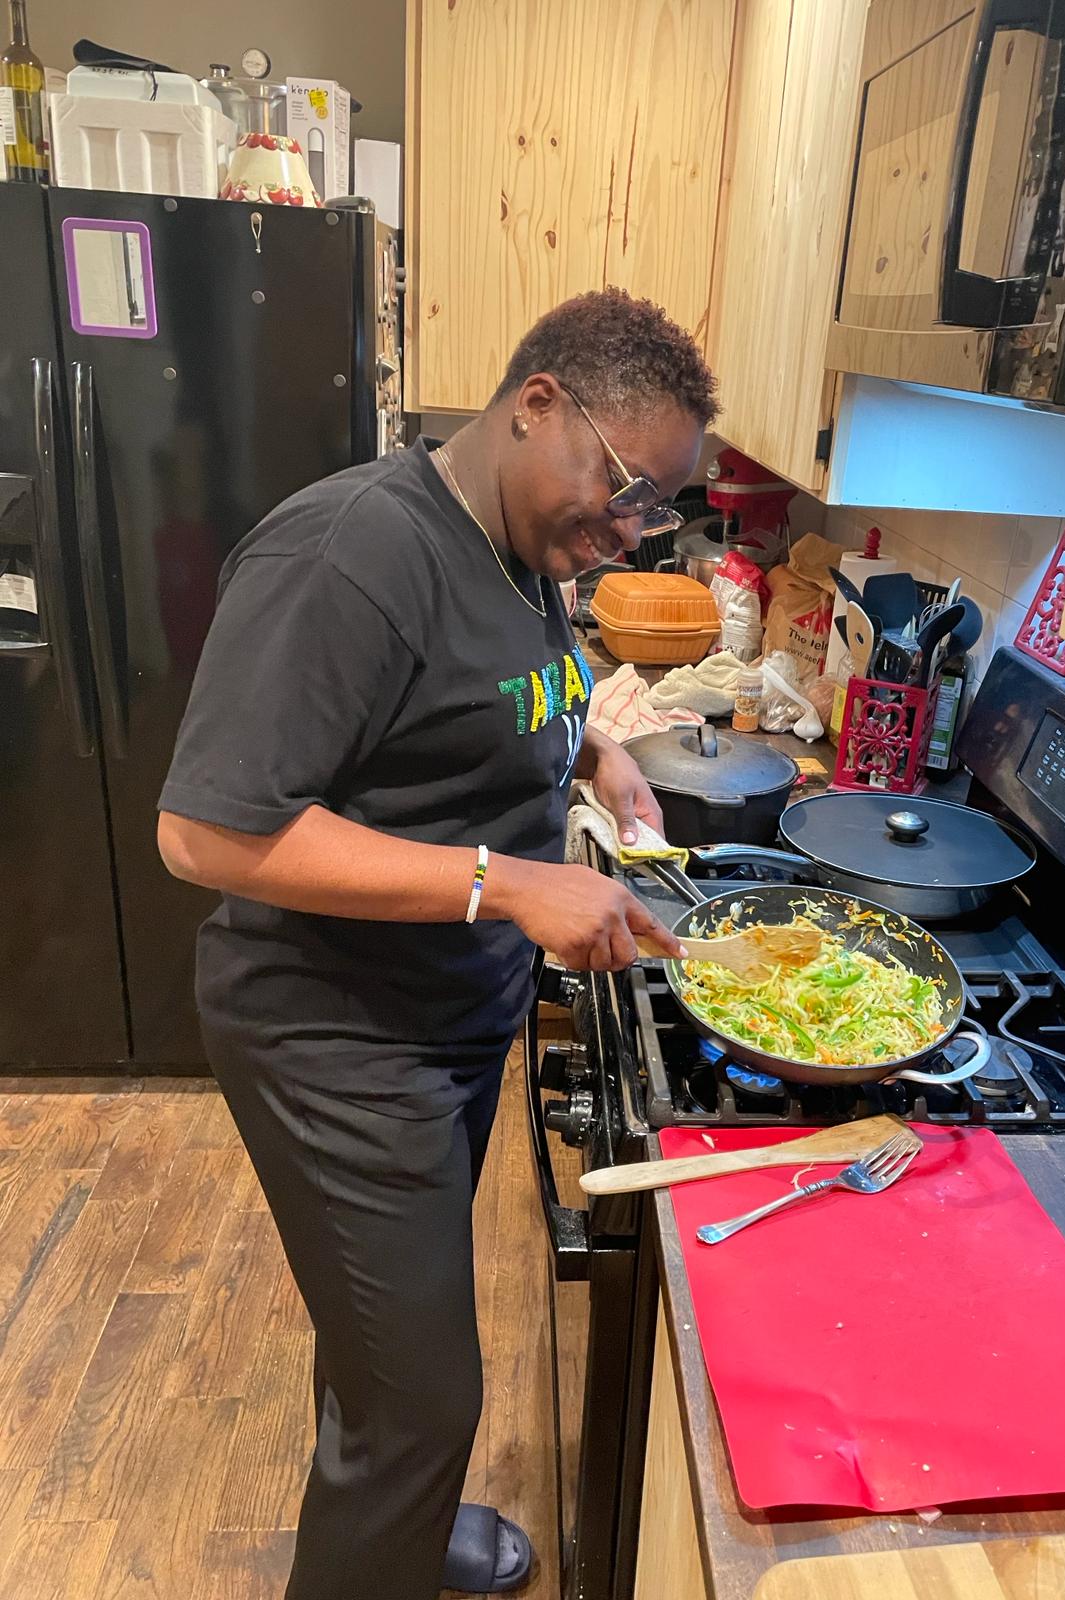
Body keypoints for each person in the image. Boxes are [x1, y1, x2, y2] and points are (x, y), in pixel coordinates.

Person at [156, 287, 720, 1600]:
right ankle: (385, 1529)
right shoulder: (352, 555)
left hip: (442, 1023)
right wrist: (511, 888)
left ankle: (390, 1526)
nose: (625, 528)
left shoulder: (529, 546)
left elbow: (498, 698)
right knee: (424, 1401)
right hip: (332, 1036)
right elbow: (207, 832)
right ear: (536, 405)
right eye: (621, 485)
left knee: (383, 1355)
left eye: (652, 507)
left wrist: (603, 751)